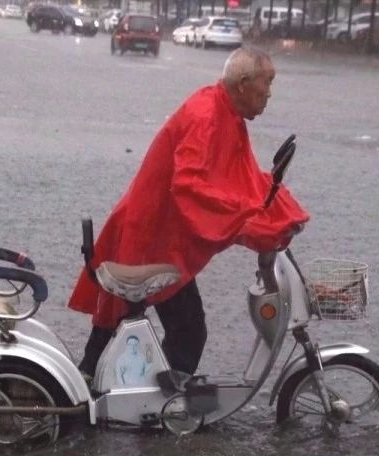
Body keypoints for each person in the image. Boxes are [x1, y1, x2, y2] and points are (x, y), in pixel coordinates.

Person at [68, 47, 309, 380]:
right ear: (242, 83)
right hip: (153, 237)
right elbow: (189, 185)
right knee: (187, 331)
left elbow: (243, 177)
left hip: (158, 232)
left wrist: (276, 210)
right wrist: (244, 218)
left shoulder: (225, 111)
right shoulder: (206, 116)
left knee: (128, 320)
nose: (269, 93)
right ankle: (160, 407)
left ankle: (98, 378)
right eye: (267, 82)